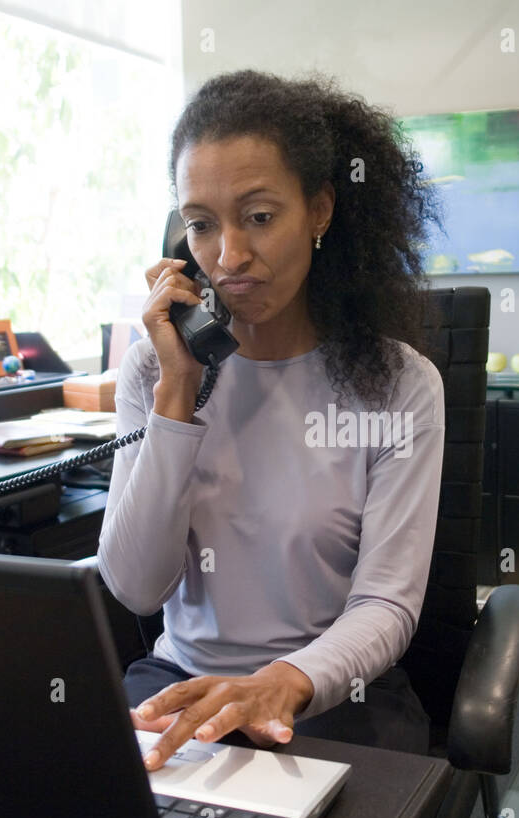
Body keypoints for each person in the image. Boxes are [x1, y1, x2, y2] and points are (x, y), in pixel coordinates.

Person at [97, 69, 446, 771]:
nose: (228, 257)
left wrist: (282, 684)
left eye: (258, 217)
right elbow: (136, 587)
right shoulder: (154, 374)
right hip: (183, 688)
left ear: (318, 212)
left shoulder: (400, 385)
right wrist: (178, 393)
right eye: (201, 225)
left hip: (331, 698)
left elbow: (387, 602)